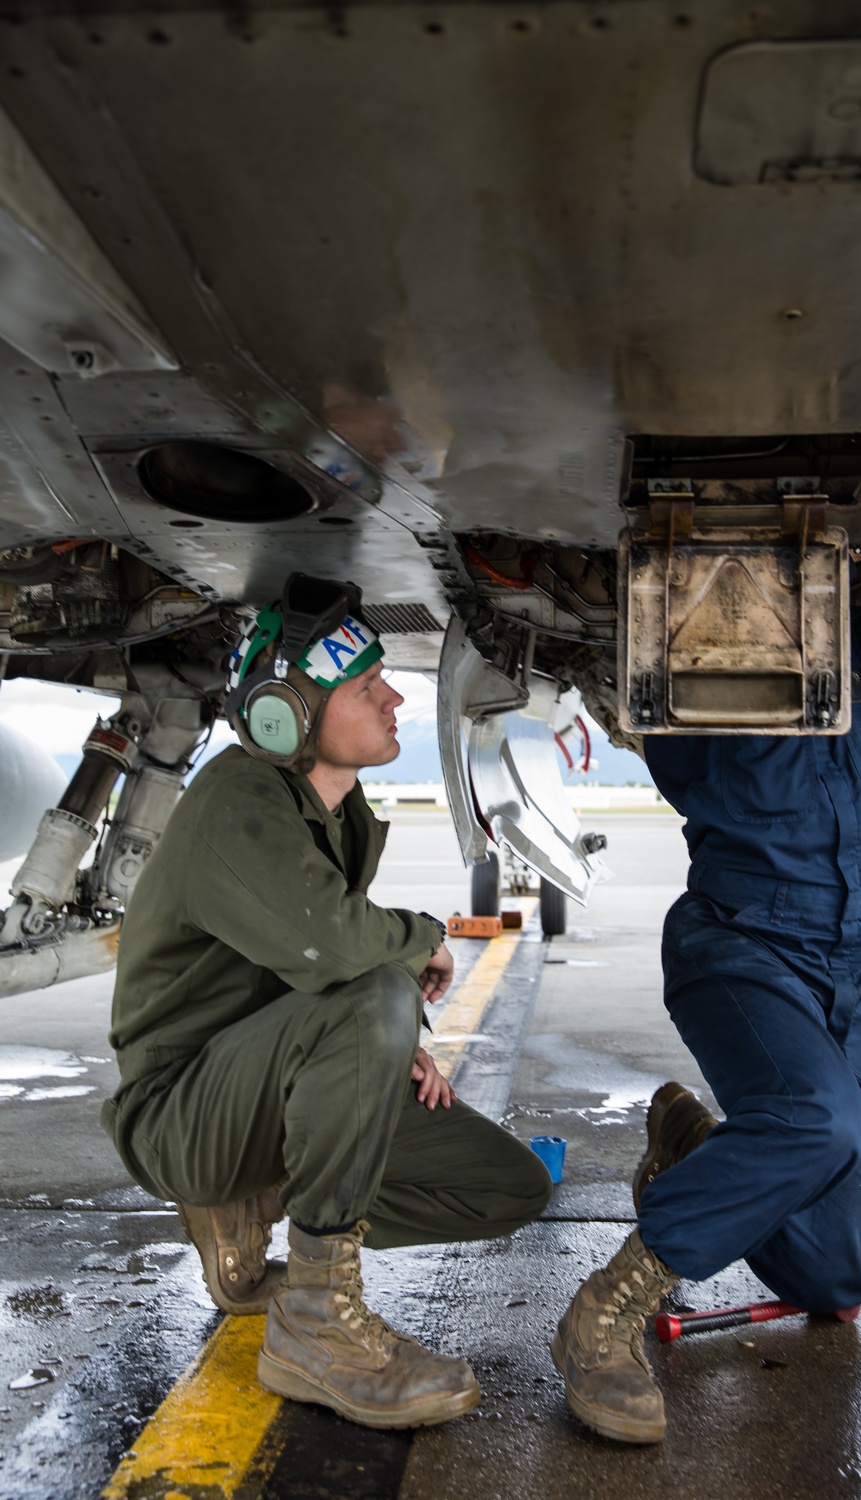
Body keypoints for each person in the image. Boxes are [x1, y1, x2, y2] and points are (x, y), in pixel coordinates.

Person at [551, 541, 861, 1444]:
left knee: (831, 1281)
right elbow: (675, 701)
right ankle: (605, 1310)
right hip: (744, 949)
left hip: (854, 966)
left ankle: (693, 1152)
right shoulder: (697, 679)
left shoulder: (859, 647)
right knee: (818, 1120)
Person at [101, 574, 551, 1430]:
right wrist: (419, 942)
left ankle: (261, 1203)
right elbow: (337, 947)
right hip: (182, 1112)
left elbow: (314, 961)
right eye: (365, 685)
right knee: (378, 983)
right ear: (288, 715)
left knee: (507, 1187)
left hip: (263, 1088)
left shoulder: (337, 816)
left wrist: (385, 1048)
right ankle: (312, 1322)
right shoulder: (238, 798)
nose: (393, 696)